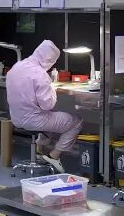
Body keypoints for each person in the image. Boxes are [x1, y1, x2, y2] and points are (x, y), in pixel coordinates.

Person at [6, 40, 82, 172]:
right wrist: (52, 89)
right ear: (50, 60)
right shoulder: (40, 74)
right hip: (34, 120)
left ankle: (40, 149)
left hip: (16, 117)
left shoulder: (17, 66)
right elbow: (47, 105)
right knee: (76, 121)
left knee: (52, 115)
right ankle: (54, 155)